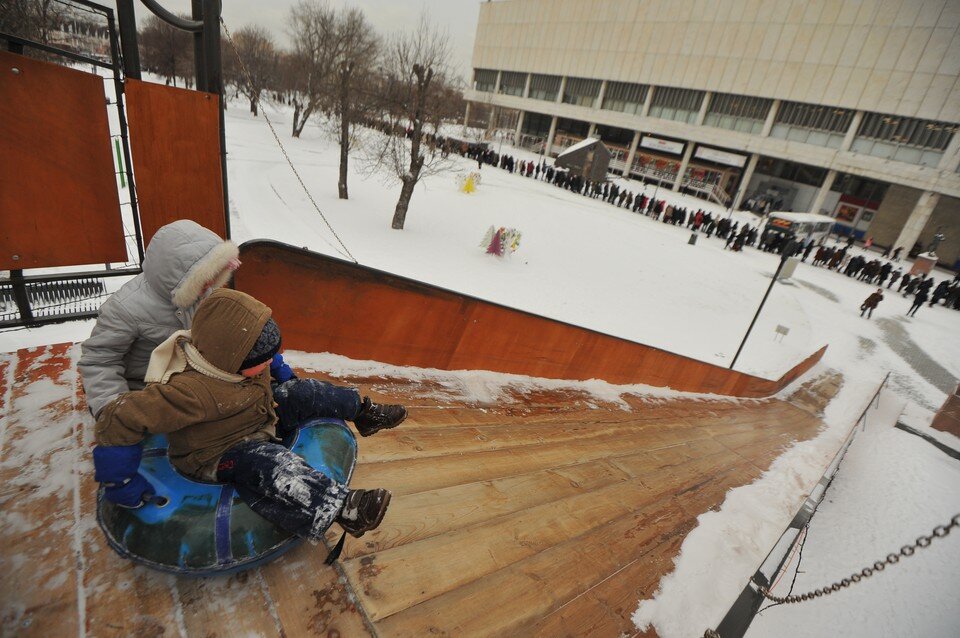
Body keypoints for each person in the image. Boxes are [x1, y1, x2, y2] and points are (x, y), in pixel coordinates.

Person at [93, 289, 395, 539]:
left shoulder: (234, 359)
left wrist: (283, 373)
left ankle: (365, 413)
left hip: (257, 412)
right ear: (232, 359)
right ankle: (343, 509)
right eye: (261, 361)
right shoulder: (190, 393)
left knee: (303, 392)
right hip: (219, 452)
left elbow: (269, 358)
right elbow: (119, 417)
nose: (268, 363)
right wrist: (120, 482)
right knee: (270, 463)